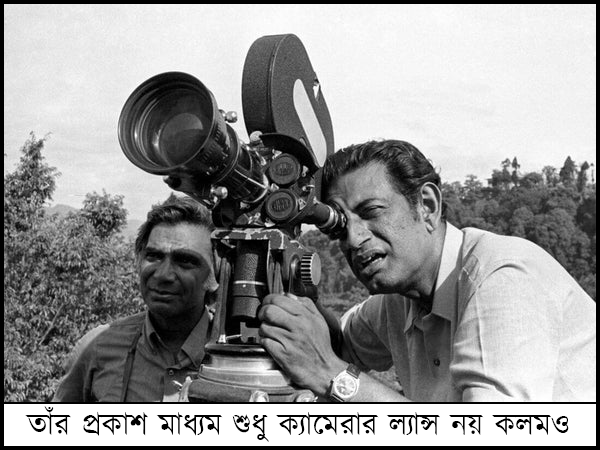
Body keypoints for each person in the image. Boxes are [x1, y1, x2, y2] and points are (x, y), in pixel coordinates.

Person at [258, 139, 596, 402]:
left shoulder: (503, 278)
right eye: (341, 226)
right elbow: (333, 344)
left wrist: (334, 376)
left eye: (372, 212)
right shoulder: (398, 302)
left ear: (428, 206)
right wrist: (295, 300)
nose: (354, 238)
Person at [53, 195, 218, 402]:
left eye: (185, 260)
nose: (163, 274)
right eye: (154, 256)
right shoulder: (97, 346)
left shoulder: (239, 359)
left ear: (215, 275)